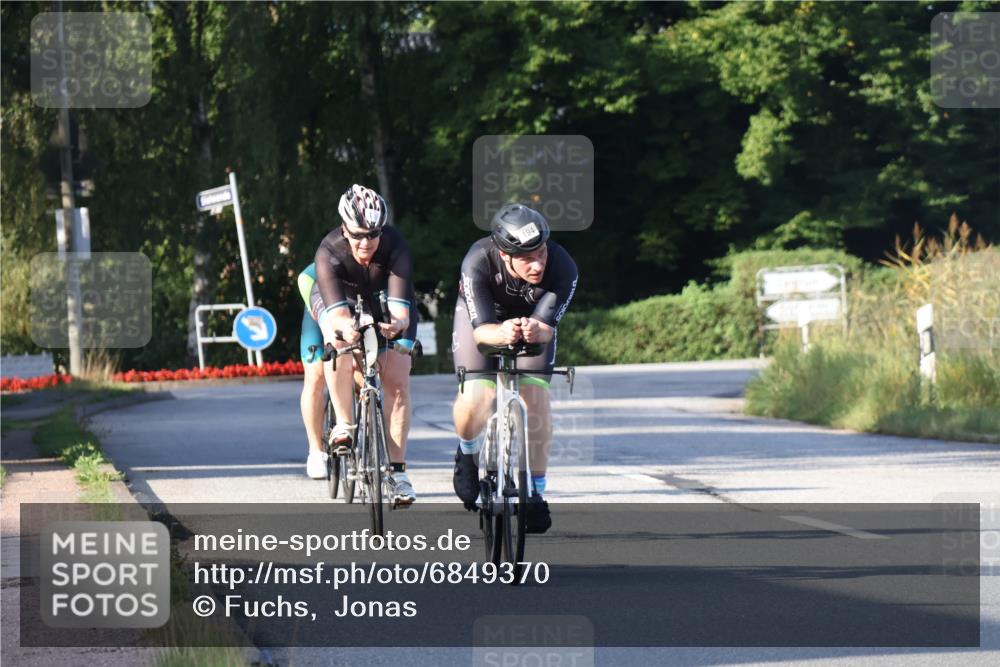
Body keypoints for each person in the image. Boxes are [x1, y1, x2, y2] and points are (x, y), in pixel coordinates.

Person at [451, 203, 578, 533]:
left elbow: (547, 326)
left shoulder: (563, 266)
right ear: (505, 255)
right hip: (482, 320)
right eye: (526, 258)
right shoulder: (478, 260)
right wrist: (501, 332)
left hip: (532, 323)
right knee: (477, 393)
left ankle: (535, 490)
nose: (537, 264)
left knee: (535, 397)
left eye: (541, 253)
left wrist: (536, 330)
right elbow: (482, 333)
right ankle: (468, 453)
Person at [304, 184, 419, 505]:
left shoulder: (396, 246)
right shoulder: (329, 250)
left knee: (397, 381)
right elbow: (338, 316)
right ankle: (344, 423)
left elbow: (400, 315)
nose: (365, 243)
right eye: (357, 235)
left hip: (384, 302)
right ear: (344, 229)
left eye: (373, 234)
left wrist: (393, 326)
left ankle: (398, 472)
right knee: (338, 341)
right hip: (342, 299)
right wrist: (348, 328)